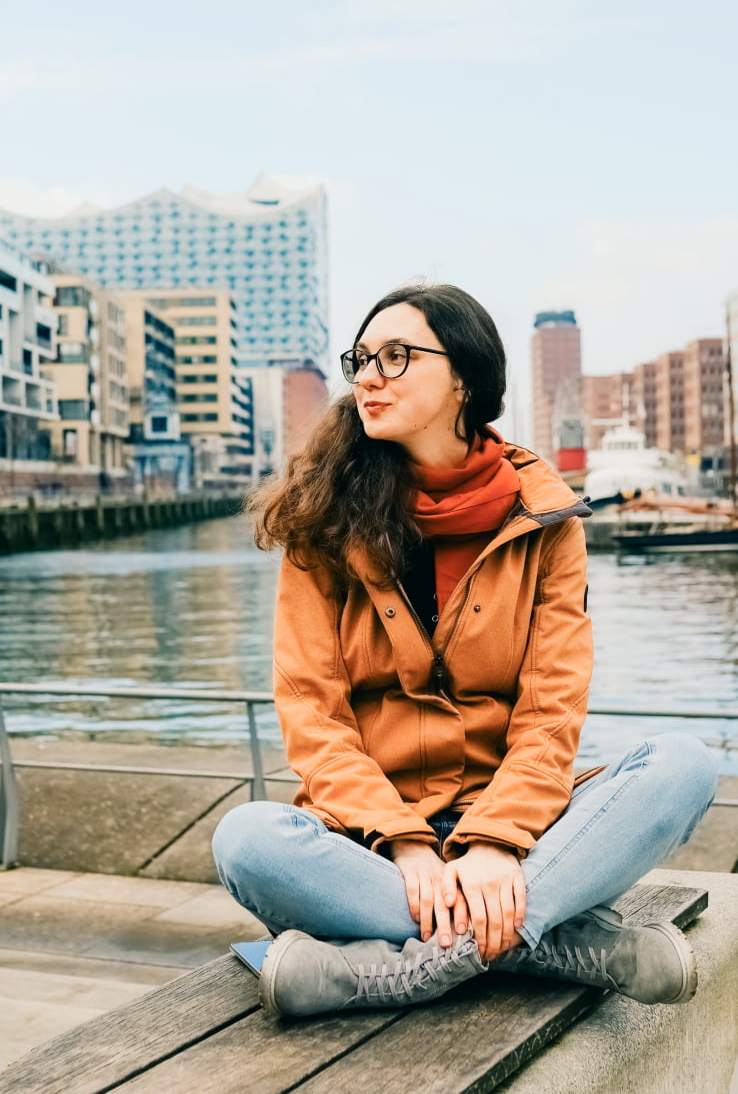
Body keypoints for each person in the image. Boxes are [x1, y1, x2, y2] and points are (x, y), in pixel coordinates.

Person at [212, 283, 718, 1018]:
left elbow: (551, 711)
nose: (368, 378)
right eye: (362, 359)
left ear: (464, 381)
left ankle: (385, 971)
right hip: (373, 845)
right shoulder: (318, 522)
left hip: (521, 829)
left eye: (397, 356)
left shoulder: (546, 522)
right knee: (246, 839)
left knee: (686, 764)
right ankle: (558, 945)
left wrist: (497, 844)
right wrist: (407, 845)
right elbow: (314, 719)